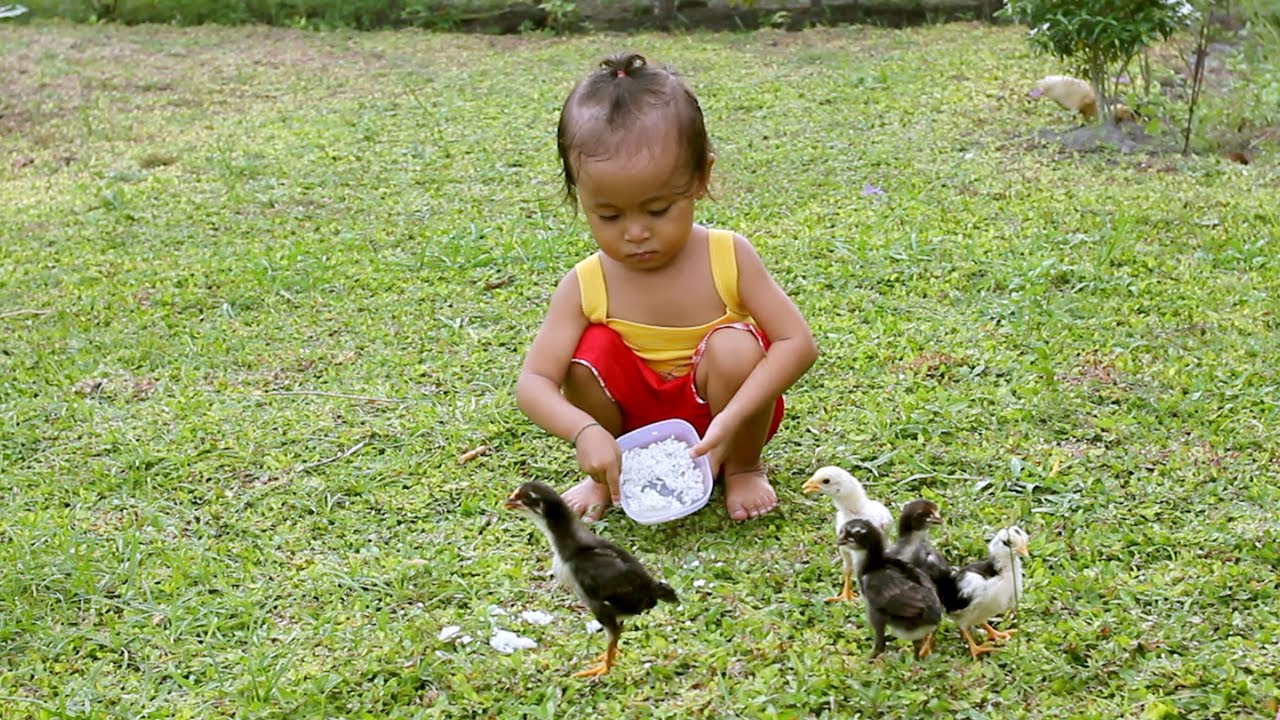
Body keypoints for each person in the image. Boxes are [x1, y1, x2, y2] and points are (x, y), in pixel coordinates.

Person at [515, 52, 818, 522]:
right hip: (632, 427)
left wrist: (733, 419)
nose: (635, 232)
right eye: (609, 216)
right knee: (584, 357)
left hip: (727, 413)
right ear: (580, 197)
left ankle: (743, 467)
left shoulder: (728, 255)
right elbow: (534, 382)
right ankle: (610, 474)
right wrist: (584, 432)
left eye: (658, 210)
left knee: (735, 347)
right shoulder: (584, 283)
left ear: (701, 178)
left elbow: (797, 343)